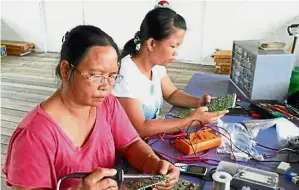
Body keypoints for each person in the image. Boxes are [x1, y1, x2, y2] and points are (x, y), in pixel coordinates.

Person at [2, 25, 179, 190]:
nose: (106, 86)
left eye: (112, 76)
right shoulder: (33, 136)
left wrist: (154, 164)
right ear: (65, 70)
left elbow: (131, 143)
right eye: (96, 76)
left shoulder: (107, 104)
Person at [113, 3, 228, 138]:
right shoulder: (126, 74)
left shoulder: (156, 66)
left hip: (149, 139)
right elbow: (140, 128)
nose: (176, 53)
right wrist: (191, 120)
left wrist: (198, 102)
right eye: (173, 46)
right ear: (151, 44)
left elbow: (172, 93)